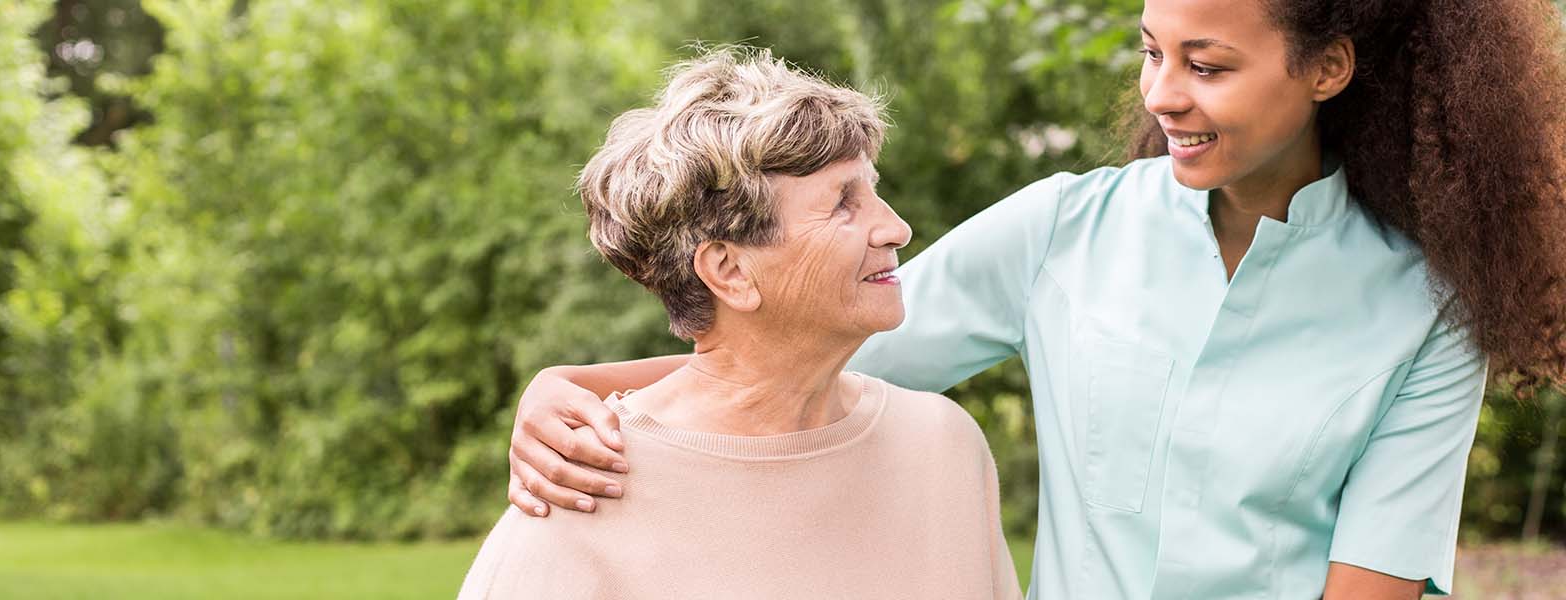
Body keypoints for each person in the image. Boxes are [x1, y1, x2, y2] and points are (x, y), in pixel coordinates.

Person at [505, 0, 1566, 598]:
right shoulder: (1065, 228)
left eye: (1206, 66)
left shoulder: (1424, 307)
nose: (1161, 95)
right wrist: (580, 386)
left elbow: (1371, 583)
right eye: (1151, 53)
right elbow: (807, 347)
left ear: (1326, 69)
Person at [457, 48, 1021, 599]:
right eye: (843, 203)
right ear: (730, 271)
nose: (896, 229)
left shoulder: (943, 445)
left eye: (874, 190)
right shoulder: (576, 492)